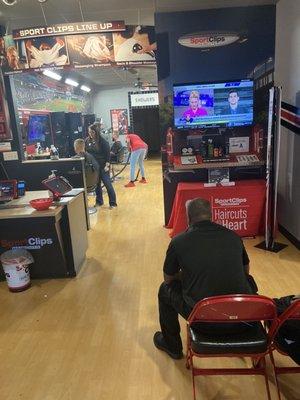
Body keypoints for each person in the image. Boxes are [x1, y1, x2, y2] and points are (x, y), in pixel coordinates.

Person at [153, 198, 256, 359]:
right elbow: (246, 272)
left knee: (164, 290)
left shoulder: (178, 241)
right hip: (242, 320)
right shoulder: (233, 236)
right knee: (249, 282)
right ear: (211, 215)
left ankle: (172, 346)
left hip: (204, 323)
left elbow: (168, 279)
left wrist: (188, 274)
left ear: (188, 218)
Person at [85, 123, 117, 208]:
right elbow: (86, 152)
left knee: (108, 184)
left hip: (103, 166)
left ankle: (113, 203)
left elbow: (107, 155)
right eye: (89, 132)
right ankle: (99, 201)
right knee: (97, 185)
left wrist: (107, 165)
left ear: (96, 132)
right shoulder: (87, 141)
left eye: (92, 132)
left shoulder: (103, 142)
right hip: (93, 168)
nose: (90, 134)